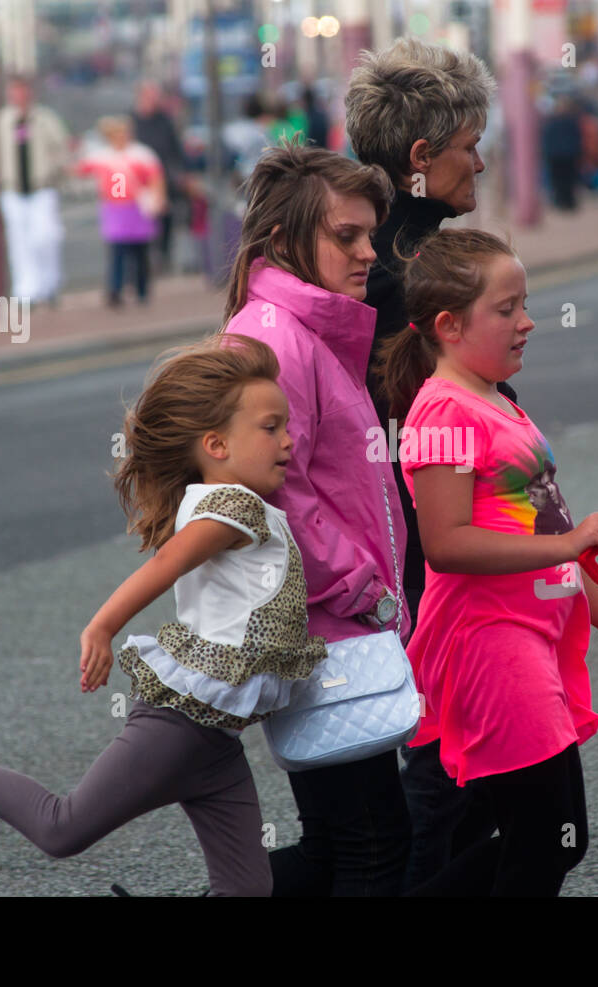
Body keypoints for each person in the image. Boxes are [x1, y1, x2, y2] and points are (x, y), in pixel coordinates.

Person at [0, 334, 326, 897]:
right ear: (215, 444)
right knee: (60, 828)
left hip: (216, 739)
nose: (289, 438)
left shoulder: (244, 505)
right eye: (271, 427)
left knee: (247, 891)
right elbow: (165, 565)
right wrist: (102, 627)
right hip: (182, 727)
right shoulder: (231, 508)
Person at [375, 228, 598, 895]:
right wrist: (569, 547)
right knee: (541, 843)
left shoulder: (496, 397)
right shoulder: (443, 412)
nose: (527, 322)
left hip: (530, 635)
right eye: (506, 309)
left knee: (554, 838)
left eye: (524, 304)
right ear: (449, 325)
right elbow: (446, 543)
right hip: (490, 646)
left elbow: (547, 518)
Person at [220, 143, 413, 896]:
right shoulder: (273, 337)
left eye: (370, 234)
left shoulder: (304, 329)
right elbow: (272, 493)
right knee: (374, 845)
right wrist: (366, 587)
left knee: (338, 844)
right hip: (328, 622)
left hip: (333, 619)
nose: (368, 252)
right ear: (284, 243)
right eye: (346, 236)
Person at [344, 35, 508, 889]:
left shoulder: (360, 246)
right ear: (420, 156)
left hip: (401, 539)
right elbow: (454, 420)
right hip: (429, 544)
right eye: (468, 144)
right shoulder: (411, 270)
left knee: (426, 788)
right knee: (445, 784)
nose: (480, 159)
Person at [75, 115, 166, 307]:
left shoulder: (142, 155)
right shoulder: (102, 156)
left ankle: (141, 289)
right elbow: (80, 169)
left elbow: (155, 178)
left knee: (139, 252)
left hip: (137, 208)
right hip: (115, 209)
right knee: (118, 251)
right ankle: (115, 290)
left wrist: (158, 198)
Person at [0, 76, 70, 305]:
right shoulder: (2, 120)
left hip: (42, 187)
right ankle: (26, 289)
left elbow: (62, 148)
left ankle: (50, 284)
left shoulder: (45, 119)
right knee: (19, 241)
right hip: (13, 189)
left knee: (46, 236)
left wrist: (57, 171)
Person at [132, 80, 188, 271]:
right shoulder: (132, 121)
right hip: (138, 182)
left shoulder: (164, 121)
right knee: (138, 224)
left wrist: (179, 173)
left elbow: (174, 149)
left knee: (165, 221)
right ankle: (141, 262)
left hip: (162, 180)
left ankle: (162, 258)